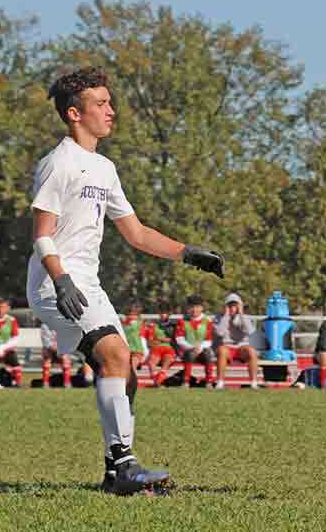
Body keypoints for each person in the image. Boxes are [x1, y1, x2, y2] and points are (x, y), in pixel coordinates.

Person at [26, 67, 224, 495]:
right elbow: (42, 235)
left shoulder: (104, 168)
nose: (111, 111)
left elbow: (136, 234)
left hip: (86, 282)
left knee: (124, 369)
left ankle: (115, 472)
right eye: (101, 103)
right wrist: (60, 280)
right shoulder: (58, 163)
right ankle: (126, 465)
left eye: (110, 102)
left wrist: (188, 253)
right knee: (114, 354)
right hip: (54, 282)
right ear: (75, 114)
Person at [213, 293, 258, 390]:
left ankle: (254, 383)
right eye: (229, 305)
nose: (232, 308)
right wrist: (226, 316)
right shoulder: (218, 318)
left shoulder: (245, 318)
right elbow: (219, 333)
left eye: (234, 305)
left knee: (252, 351)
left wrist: (241, 314)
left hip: (241, 348)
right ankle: (220, 382)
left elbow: (250, 332)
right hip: (226, 347)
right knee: (222, 350)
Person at [173, 295, 216, 388]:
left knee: (208, 354)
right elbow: (179, 339)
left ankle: (209, 382)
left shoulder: (207, 320)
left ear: (202, 308)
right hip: (187, 350)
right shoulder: (182, 321)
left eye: (197, 307)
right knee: (190, 354)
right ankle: (186, 381)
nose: (194, 309)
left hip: (202, 350)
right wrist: (192, 347)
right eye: (191, 307)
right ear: (187, 308)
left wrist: (200, 347)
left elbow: (209, 340)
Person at [145, 301, 179, 387]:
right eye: (161, 312)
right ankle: (157, 381)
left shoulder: (174, 325)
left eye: (165, 312)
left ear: (169, 314)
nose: (163, 314)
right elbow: (150, 341)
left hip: (169, 349)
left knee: (167, 360)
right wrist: (163, 340)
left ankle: (158, 381)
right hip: (156, 348)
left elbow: (175, 340)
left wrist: (160, 339)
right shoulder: (154, 325)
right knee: (151, 362)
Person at [40, 322, 72, 388]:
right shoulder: (45, 325)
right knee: (47, 360)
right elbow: (45, 341)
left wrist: (60, 348)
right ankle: (45, 383)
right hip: (49, 349)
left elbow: (66, 338)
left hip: (61, 348)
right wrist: (54, 348)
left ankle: (67, 383)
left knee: (65, 359)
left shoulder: (64, 324)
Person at [122, 304, 150, 375]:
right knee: (127, 369)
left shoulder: (139, 323)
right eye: (130, 314)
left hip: (137, 350)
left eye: (134, 315)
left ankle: (131, 384)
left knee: (132, 368)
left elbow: (143, 339)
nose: (132, 317)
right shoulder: (123, 324)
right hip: (126, 350)